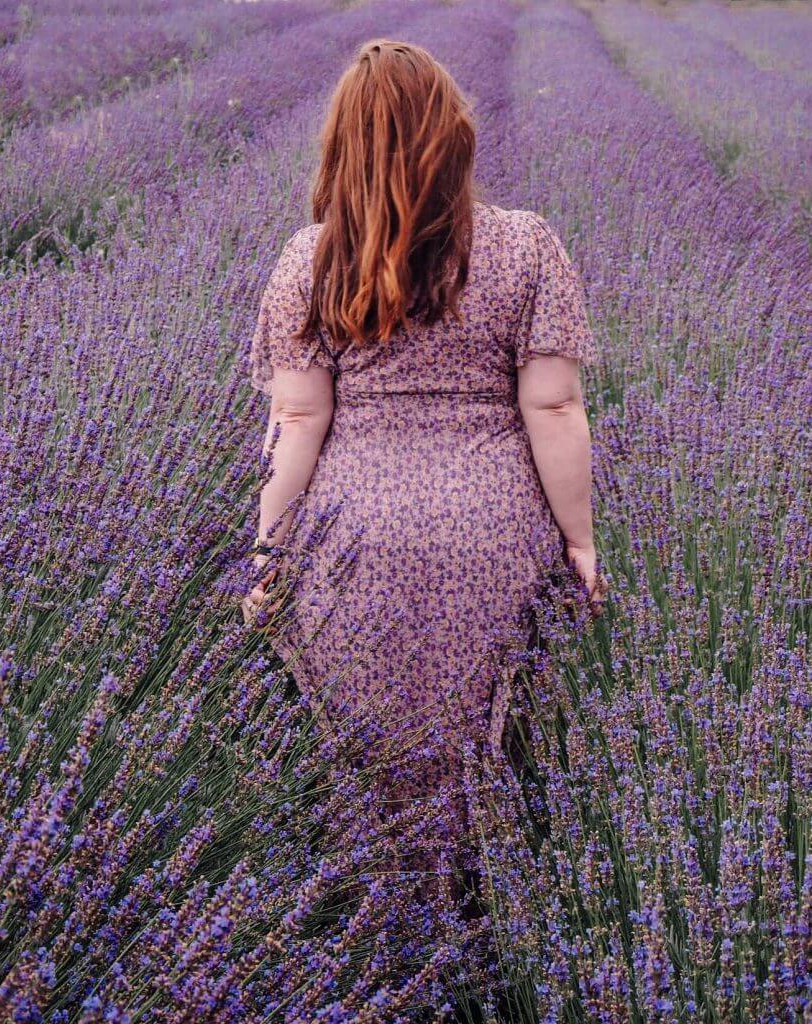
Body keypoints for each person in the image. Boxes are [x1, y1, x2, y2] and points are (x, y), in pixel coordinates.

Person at [241, 38, 607, 895]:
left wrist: (266, 549)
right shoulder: (524, 246)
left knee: (366, 753)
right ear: (453, 135)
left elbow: (296, 418)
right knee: (488, 740)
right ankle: (495, 929)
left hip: (351, 536)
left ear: (342, 145)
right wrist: (580, 544)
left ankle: (376, 934)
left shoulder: (312, 257)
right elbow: (552, 408)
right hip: (491, 528)